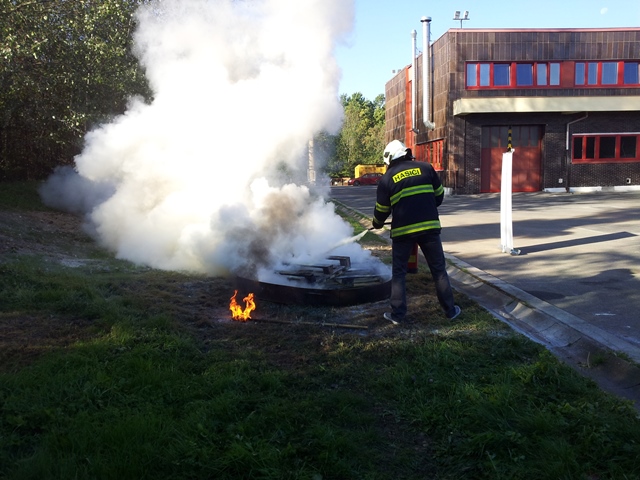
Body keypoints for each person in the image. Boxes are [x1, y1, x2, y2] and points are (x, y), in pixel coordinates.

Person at [372, 140, 461, 324]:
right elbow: (439, 196)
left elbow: (382, 210)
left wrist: (377, 224)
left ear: (390, 158)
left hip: (403, 231)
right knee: (438, 270)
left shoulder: (387, 178)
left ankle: (398, 315)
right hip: (429, 228)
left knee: (399, 273)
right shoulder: (426, 168)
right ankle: (450, 311)